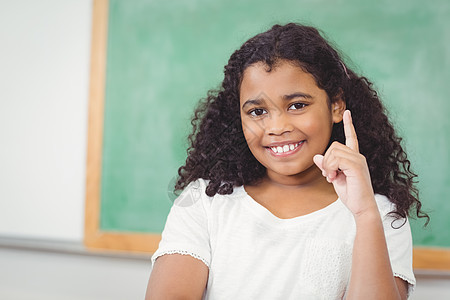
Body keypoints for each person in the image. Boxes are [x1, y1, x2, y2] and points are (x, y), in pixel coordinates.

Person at [145, 23, 428, 299]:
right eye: (257, 111)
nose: (277, 126)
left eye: (297, 105)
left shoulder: (380, 214)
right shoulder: (204, 202)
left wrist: (365, 214)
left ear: (336, 105)